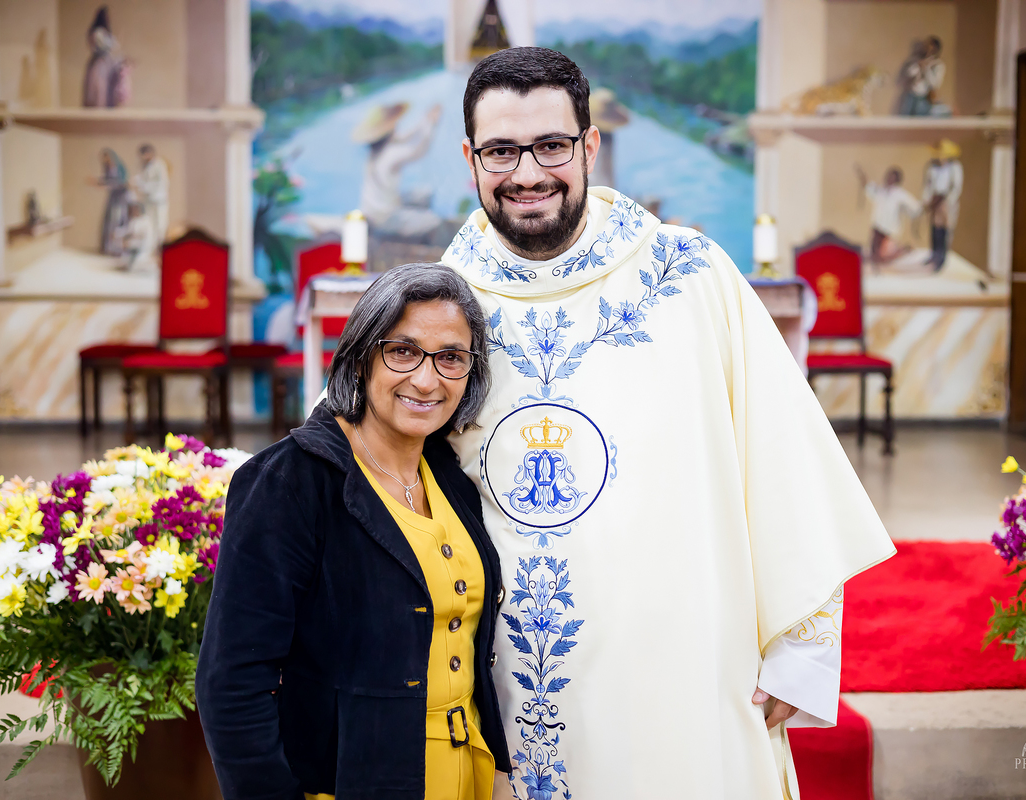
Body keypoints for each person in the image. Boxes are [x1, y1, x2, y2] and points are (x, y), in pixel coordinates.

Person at [439, 48, 895, 799]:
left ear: (589, 145)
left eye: (551, 145)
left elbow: (781, 455)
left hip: (683, 660)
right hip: (501, 675)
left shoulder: (688, 276)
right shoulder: (441, 304)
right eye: (501, 151)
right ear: (470, 158)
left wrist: (802, 648)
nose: (527, 172)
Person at [196, 264, 511, 799]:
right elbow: (231, 683)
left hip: (468, 774)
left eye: (451, 357)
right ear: (362, 355)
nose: (427, 379)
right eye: (403, 351)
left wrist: (499, 768)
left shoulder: (452, 478)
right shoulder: (288, 482)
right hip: (361, 778)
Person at [355, 102, 444, 241]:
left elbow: (404, 137)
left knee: (424, 194)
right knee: (434, 221)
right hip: (384, 219)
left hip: (374, 213)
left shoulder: (375, 153)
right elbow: (418, 150)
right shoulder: (389, 155)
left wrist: (425, 120)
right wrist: (432, 124)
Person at [855, 164, 922, 266]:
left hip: (889, 232)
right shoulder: (881, 191)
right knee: (873, 257)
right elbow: (867, 187)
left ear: (896, 180)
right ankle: (894, 251)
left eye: (892, 177)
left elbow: (916, 208)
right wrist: (861, 174)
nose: (888, 179)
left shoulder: (900, 195)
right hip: (877, 229)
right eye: (888, 176)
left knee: (882, 258)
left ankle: (904, 250)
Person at [923, 139, 964, 270]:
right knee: (934, 227)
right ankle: (934, 255)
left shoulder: (955, 167)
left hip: (946, 200)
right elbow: (928, 184)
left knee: (945, 229)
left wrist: (947, 200)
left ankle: (942, 258)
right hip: (935, 200)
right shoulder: (932, 167)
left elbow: (956, 187)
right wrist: (927, 199)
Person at [82, 6, 128, 108]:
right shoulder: (97, 33)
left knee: (108, 92)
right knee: (98, 91)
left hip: (107, 65)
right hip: (99, 64)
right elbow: (103, 45)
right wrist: (113, 42)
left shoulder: (105, 32)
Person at [89, 148, 128, 256]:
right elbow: (107, 180)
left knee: (117, 221)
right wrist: (98, 182)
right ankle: (107, 247)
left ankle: (116, 248)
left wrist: (105, 185)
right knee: (109, 221)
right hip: (112, 197)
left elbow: (121, 182)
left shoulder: (118, 167)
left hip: (120, 197)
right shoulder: (107, 168)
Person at [131, 143, 169, 246]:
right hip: (147, 200)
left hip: (158, 200)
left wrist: (144, 186)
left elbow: (161, 183)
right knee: (149, 224)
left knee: (160, 224)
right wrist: (137, 183)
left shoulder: (159, 164)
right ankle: (149, 248)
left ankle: (160, 248)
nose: (143, 157)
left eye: (144, 154)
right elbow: (140, 179)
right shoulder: (143, 165)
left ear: (150, 153)